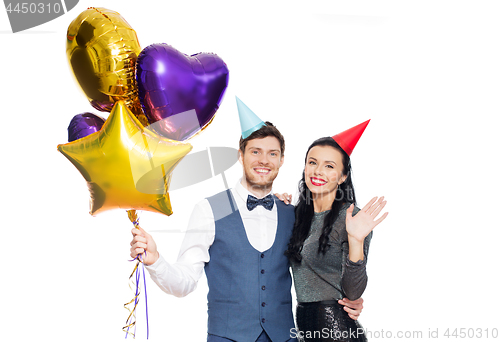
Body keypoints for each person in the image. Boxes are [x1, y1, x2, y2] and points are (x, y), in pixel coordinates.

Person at [130, 98, 365, 342]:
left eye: (272, 153)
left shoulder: (291, 213)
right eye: (255, 151)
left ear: (281, 160)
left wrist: (348, 300)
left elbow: (315, 268)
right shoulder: (209, 209)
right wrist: (156, 261)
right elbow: (184, 283)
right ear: (240, 155)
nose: (264, 160)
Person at [284, 121, 388, 342]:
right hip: (305, 330)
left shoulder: (352, 219)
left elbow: (353, 292)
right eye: (312, 162)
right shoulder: (296, 217)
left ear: (342, 177)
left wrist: (356, 240)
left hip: (338, 331)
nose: (318, 171)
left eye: (329, 166)